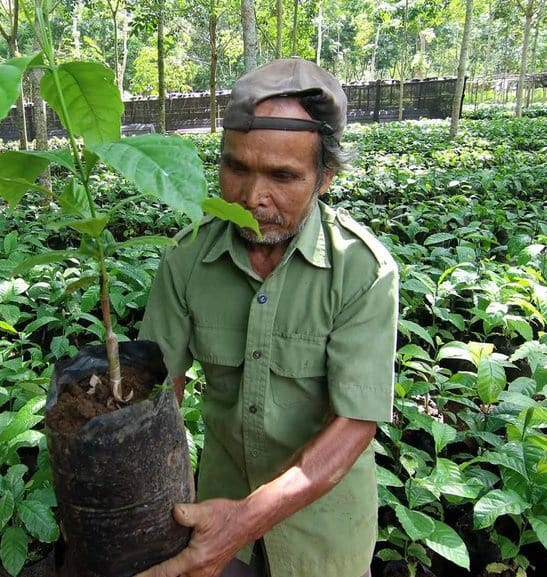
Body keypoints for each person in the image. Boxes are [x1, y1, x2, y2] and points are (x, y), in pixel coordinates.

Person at [135, 58, 399, 577]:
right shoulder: (187, 260)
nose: (253, 198)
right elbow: (158, 389)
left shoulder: (362, 271)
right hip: (214, 514)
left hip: (323, 536)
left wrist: (246, 519)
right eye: (236, 168)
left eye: (283, 176)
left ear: (325, 177)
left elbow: (355, 424)